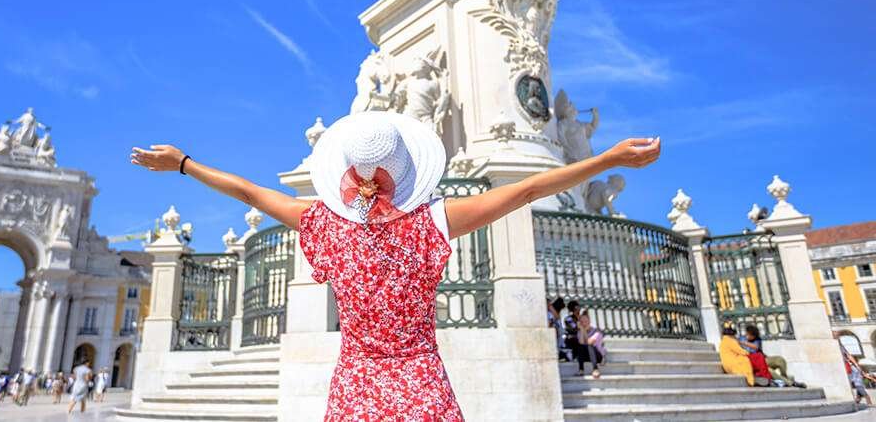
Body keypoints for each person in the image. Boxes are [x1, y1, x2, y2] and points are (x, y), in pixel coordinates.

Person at [131, 111, 661, 419]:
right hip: (423, 383)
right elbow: (524, 190)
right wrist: (608, 159)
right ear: (405, 171)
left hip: (356, 387)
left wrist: (182, 164)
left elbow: (248, 189)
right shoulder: (431, 224)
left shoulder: (323, 224)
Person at [837, 332, 873, 406]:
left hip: (849, 368)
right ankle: (858, 399)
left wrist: (856, 365)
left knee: (858, 384)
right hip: (847, 368)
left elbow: (848, 356)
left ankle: (866, 398)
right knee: (857, 384)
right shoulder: (839, 346)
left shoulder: (840, 346)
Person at [574, 311, 606, 378]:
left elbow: (589, 342)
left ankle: (595, 369)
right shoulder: (580, 332)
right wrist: (582, 330)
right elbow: (581, 343)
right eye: (582, 322)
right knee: (580, 347)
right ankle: (581, 370)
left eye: (585, 321)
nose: (584, 323)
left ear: (589, 321)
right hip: (587, 356)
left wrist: (583, 330)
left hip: (598, 356)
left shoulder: (597, 331)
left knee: (590, 346)